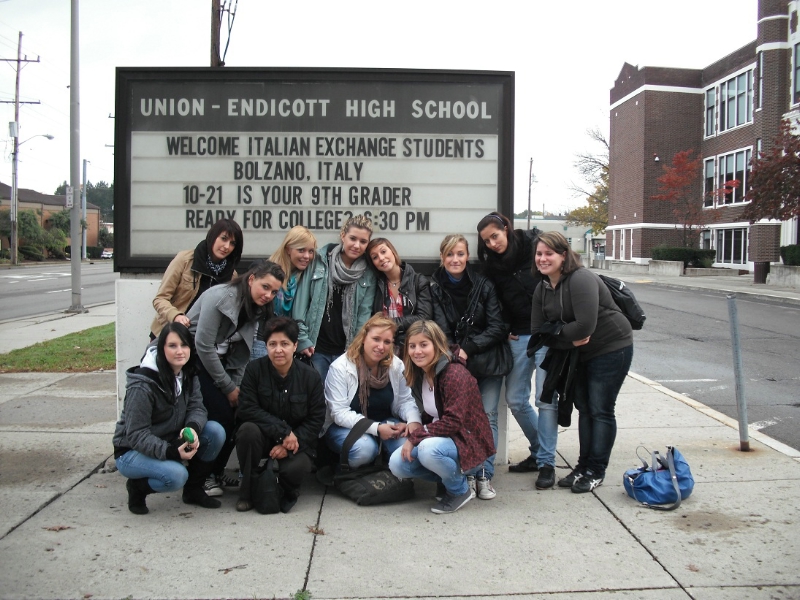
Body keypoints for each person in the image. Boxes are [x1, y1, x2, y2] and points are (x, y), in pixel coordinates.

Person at [530, 231, 633, 493]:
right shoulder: (543, 287)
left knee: (600, 409)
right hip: (579, 353)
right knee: (584, 408)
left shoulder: (581, 278)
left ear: (563, 255)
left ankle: (596, 470)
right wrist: (566, 340)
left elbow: (585, 326)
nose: (543, 259)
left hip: (611, 347)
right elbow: (538, 332)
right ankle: (582, 467)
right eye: (539, 254)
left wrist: (556, 335)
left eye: (549, 253)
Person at [187, 260, 285, 497]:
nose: (268, 295)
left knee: (238, 414)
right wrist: (229, 388)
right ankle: (202, 476)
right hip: (193, 362)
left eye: (274, 292)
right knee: (220, 415)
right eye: (265, 287)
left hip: (222, 365)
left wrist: (238, 388)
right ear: (251, 279)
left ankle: (216, 472)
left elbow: (244, 352)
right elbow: (203, 346)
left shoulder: (256, 308)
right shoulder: (219, 297)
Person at [113, 322, 226, 514]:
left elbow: (197, 407)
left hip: (168, 439)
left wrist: (192, 428)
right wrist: (172, 452)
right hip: (131, 451)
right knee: (176, 476)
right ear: (161, 348)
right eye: (172, 346)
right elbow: (136, 434)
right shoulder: (142, 385)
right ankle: (137, 488)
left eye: (184, 345)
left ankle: (193, 490)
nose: (180, 351)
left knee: (215, 432)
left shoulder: (187, 373)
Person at [429, 233, 508, 500]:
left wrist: (469, 348)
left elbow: (497, 326)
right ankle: (467, 472)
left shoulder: (484, 285)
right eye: (450, 254)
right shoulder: (434, 287)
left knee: (488, 416)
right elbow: (439, 328)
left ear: (467, 256)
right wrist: (454, 353)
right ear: (442, 257)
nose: (455, 259)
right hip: (455, 365)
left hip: (487, 361)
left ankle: (484, 475)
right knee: (459, 419)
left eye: (460, 254)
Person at [389, 320, 495, 514]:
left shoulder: (454, 373)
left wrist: (415, 437)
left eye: (424, 345)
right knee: (397, 463)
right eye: (412, 346)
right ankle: (446, 480)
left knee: (428, 450)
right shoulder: (421, 373)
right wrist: (411, 424)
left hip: (468, 442)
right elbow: (432, 412)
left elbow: (454, 421)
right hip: (444, 438)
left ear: (437, 344)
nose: (417, 351)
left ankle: (459, 490)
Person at [476, 212, 550, 487]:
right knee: (517, 399)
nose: (492, 243)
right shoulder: (492, 267)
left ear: (506, 228)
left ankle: (546, 463)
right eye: (487, 241)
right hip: (518, 336)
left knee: (545, 400)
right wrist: (504, 325)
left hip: (547, 334)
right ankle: (540, 450)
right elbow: (493, 301)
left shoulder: (534, 247)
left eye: (495, 236)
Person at [235, 317, 325, 513]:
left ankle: (283, 490)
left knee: (296, 468)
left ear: (295, 346)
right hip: (264, 436)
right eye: (272, 344)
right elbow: (247, 408)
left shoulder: (310, 376)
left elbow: (316, 418)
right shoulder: (254, 370)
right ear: (266, 346)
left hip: (296, 442)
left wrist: (290, 442)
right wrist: (282, 432)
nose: (278, 350)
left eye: (284, 344)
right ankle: (247, 490)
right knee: (247, 431)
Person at [323, 314, 422, 469]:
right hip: (345, 427)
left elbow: (405, 401)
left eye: (387, 342)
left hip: (386, 422)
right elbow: (339, 413)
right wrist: (375, 428)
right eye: (376, 339)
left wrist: (413, 421)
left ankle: (388, 469)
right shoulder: (341, 367)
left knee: (409, 448)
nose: (381, 347)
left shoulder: (396, 365)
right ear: (363, 338)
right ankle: (343, 472)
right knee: (365, 450)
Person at [293, 214, 377, 384]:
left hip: (346, 352)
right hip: (315, 348)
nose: (357, 245)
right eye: (353, 238)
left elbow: (364, 315)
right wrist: (302, 339)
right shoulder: (319, 261)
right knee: (317, 397)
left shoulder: (368, 272)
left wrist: (356, 349)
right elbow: (301, 303)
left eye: (363, 241)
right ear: (342, 235)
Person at [150, 219, 243, 339]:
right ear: (212, 236)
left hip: (199, 339)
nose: (227, 246)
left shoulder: (232, 275)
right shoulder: (185, 260)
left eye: (233, 243)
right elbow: (160, 299)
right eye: (224, 238)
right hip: (167, 333)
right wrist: (176, 316)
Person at [251, 226, 318, 360]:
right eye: (301, 250)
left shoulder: (306, 278)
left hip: (290, 344)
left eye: (311, 251)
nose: (307, 256)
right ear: (288, 249)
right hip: (261, 341)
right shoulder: (265, 271)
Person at [367, 236, 433, 351]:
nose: (381, 258)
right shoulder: (376, 285)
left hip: (413, 345)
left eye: (383, 251)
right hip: (384, 346)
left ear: (393, 252)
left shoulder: (418, 281)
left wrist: (388, 323)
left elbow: (424, 317)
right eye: (375, 257)